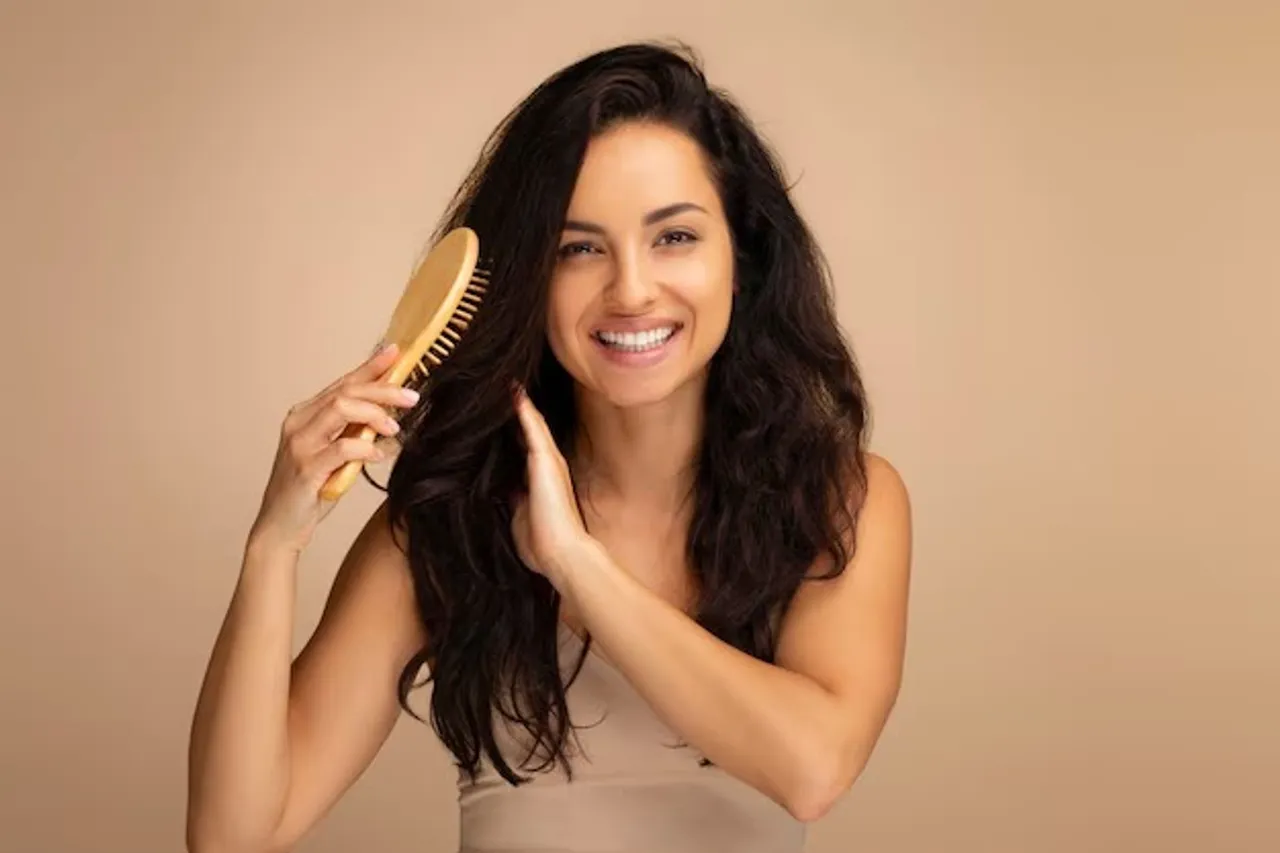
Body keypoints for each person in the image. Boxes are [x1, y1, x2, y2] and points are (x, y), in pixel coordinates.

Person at [185, 40, 912, 853]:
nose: (631, 289)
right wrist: (273, 543)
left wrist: (574, 563)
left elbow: (814, 765)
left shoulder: (841, 499)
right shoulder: (448, 520)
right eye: (578, 248)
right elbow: (232, 834)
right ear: (529, 278)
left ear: (741, 260)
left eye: (674, 238)